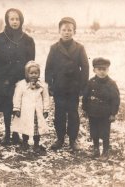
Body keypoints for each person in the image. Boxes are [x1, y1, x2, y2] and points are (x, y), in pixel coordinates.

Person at [45, 17, 89, 152]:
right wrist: (50, 86)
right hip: (59, 87)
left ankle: (72, 139)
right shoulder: (54, 48)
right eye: (64, 30)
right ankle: (59, 138)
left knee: (73, 114)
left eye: (70, 30)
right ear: (59, 31)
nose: (67, 32)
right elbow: (49, 68)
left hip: (73, 88)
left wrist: (82, 86)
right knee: (59, 114)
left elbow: (85, 68)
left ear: (74, 31)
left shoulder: (80, 48)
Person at [0, 8, 35, 145]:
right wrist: (1, 78)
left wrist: (28, 79)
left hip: (21, 79)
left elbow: (30, 63)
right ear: (7, 20)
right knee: (7, 106)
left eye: (17, 19)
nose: (15, 22)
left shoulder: (28, 40)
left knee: (21, 106)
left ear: (21, 20)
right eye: (12, 19)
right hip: (5, 79)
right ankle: (7, 133)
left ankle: (17, 133)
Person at [82, 57, 120, 160]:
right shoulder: (91, 82)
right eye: (99, 69)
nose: (102, 72)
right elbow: (85, 96)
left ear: (108, 70)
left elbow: (115, 99)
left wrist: (113, 113)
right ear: (94, 70)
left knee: (105, 133)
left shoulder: (111, 84)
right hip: (93, 112)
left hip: (105, 114)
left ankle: (105, 151)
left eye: (104, 69)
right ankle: (96, 150)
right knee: (94, 132)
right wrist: (85, 109)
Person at [11, 61, 50, 153]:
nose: (33, 75)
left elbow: (46, 98)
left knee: (37, 129)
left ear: (39, 74)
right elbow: (17, 97)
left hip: (37, 111)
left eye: (36, 73)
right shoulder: (21, 85)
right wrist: (17, 108)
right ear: (26, 74)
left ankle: (36, 144)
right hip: (25, 111)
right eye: (31, 73)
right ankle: (25, 143)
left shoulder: (42, 86)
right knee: (25, 128)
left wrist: (46, 109)